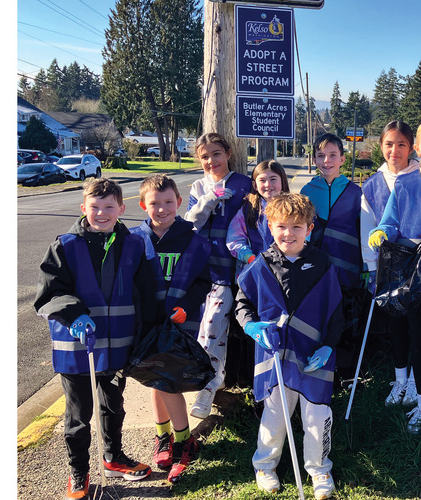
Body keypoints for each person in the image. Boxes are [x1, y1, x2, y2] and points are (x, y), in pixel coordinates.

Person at [33, 178, 160, 499]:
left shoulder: (134, 245)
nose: (101, 214)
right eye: (94, 208)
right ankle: (79, 473)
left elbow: (146, 293)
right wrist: (74, 315)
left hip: (118, 346)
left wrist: (152, 331)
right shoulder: (64, 246)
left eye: (108, 208)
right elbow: (49, 292)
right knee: (78, 415)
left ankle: (113, 457)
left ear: (121, 208)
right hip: (77, 347)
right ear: (83, 209)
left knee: (113, 406)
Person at [235, 192, 343, 500]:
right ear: (269, 226)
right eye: (281, 226)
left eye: (297, 227)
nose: (288, 233)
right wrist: (252, 327)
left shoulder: (322, 263)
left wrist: (329, 347)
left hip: (314, 355)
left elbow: (336, 310)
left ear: (309, 228)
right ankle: (265, 465)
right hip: (275, 356)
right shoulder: (261, 266)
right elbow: (243, 305)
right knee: (275, 413)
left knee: (317, 415)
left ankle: (319, 469)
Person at [367, 119, 421, 434]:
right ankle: (401, 382)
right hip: (405, 267)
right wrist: (381, 232)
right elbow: (391, 219)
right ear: (417, 148)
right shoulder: (405, 182)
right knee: (398, 326)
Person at [131, 174, 211, 483]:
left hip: (179, 320)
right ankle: (162, 436)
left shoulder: (192, 239)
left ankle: (183, 441)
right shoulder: (134, 239)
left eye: (168, 202)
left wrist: (188, 306)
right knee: (154, 377)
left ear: (178, 203)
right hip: (148, 322)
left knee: (170, 381)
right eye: (154, 204)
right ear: (142, 205)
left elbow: (203, 281)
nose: (162, 209)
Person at [185, 132, 252, 419]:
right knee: (208, 327)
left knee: (221, 327)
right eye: (205, 156)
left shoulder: (244, 184)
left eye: (216, 154)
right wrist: (208, 199)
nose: (211, 160)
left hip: (236, 267)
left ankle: (213, 385)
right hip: (206, 269)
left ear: (227, 154)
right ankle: (210, 381)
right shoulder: (198, 187)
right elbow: (189, 226)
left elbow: (256, 219)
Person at [301, 132, 363, 378]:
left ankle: (347, 372)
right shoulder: (307, 191)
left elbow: (363, 230)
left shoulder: (355, 192)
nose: (327, 160)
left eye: (332, 155)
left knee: (348, 320)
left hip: (348, 270)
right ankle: (319, 369)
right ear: (314, 159)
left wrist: (366, 268)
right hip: (315, 271)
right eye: (321, 156)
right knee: (318, 318)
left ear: (343, 159)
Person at [360, 120, 421, 288]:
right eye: (389, 144)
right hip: (386, 266)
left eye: (401, 144)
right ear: (381, 146)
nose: (394, 150)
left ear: (411, 147)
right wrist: (372, 267)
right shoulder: (371, 186)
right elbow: (367, 227)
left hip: (420, 264)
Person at [227, 159, 289, 269]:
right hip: (255, 269)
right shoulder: (248, 209)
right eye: (262, 180)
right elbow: (235, 239)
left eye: (273, 179)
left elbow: (302, 237)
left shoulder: (292, 209)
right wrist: (250, 258)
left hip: (285, 269)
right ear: (255, 185)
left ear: (282, 181)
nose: (268, 184)